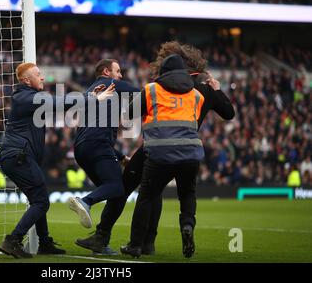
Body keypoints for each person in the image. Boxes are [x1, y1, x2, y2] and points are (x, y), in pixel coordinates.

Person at [76, 42, 235, 256]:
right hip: (188, 146)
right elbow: (228, 113)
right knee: (169, 192)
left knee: (129, 188)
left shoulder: (160, 85)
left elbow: (134, 112)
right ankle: (150, 242)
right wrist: (218, 90)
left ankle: (107, 237)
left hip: (156, 145)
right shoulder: (205, 85)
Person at [0, 62, 114, 258]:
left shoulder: (27, 97)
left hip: (19, 156)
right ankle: (13, 240)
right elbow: (57, 103)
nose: (42, 77)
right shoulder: (24, 96)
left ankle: (44, 242)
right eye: (38, 74)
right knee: (42, 201)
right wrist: (90, 98)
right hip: (17, 155)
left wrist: (90, 97)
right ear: (27, 80)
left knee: (38, 199)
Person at [68, 59, 139, 232]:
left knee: (114, 192)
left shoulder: (89, 92)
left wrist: (121, 157)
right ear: (107, 72)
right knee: (116, 187)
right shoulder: (111, 84)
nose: (121, 75)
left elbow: (91, 133)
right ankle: (85, 201)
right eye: (118, 71)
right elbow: (140, 92)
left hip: (81, 149)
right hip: (98, 146)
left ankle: (100, 238)